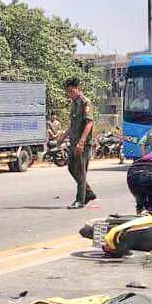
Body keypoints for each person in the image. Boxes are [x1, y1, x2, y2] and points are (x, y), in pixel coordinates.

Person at [56, 77, 97, 209]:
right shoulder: (74, 103)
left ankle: (80, 200)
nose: (69, 94)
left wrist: (82, 141)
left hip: (83, 143)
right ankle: (88, 193)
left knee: (80, 171)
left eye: (71, 91)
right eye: (68, 91)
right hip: (74, 142)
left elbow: (89, 122)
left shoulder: (86, 102)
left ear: (78, 89)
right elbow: (72, 124)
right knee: (71, 167)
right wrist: (63, 136)